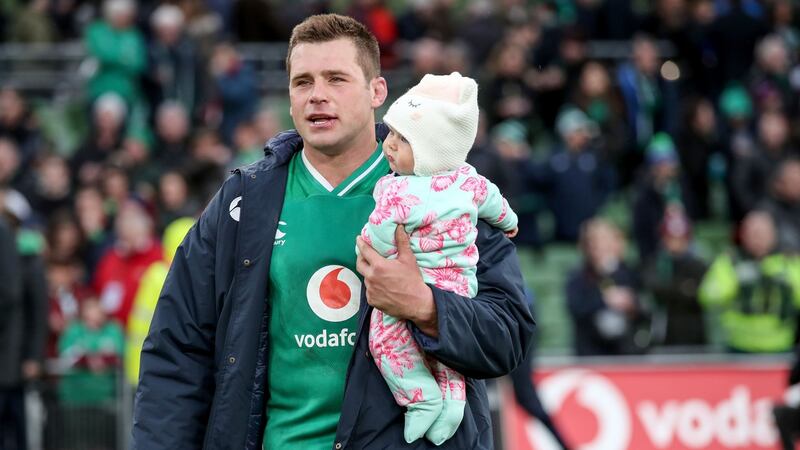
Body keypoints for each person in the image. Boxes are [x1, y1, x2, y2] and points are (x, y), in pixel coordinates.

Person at [133, 13, 534, 450]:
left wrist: (426, 305)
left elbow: (508, 333)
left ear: (377, 91)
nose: (317, 96)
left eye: (336, 79)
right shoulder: (242, 203)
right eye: (302, 82)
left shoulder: (445, 188)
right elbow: (177, 352)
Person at [357, 72, 518, 445]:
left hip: (414, 286)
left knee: (385, 342)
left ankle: (421, 399)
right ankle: (451, 404)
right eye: (391, 134)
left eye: (401, 139)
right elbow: (496, 203)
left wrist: (364, 250)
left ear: (430, 150)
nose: (389, 145)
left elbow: (377, 238)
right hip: (459, 288)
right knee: (448, 357)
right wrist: (509, 223)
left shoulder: (395, 191)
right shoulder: (468, 180)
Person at [699, 211, 800, 353]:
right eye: (753, 233)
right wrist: (739, 281)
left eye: (762, 234)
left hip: (782, 347)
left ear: (773, 235)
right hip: (739, 347)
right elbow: (709, 296)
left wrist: (781, 282)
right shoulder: (730, 262)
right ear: (743, 235)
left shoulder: (788, 263)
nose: (758, 239)